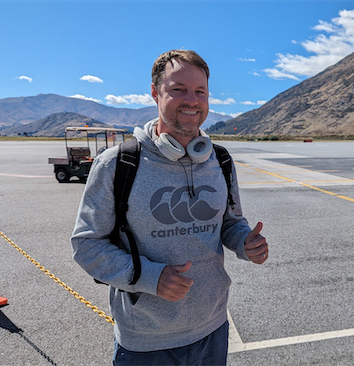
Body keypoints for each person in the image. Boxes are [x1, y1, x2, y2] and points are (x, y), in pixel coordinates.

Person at [71, 49, 268, 366]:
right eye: (178, 89)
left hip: (214, 330)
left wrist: (246, 242)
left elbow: (230, 222)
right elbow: (86, 245)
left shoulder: (220, 160)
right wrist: (150, 277)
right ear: (155, 92)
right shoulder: (118, 164)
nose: (192, 99)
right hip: (147, 344)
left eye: (200, 91)